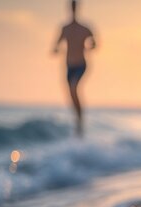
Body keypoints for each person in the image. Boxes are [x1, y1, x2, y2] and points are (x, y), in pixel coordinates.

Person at [54, 0, 96, 137]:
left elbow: (94, 42)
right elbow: (56, 44)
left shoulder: (84, 28)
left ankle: (80, 121)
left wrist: (90, 46)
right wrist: (55, 49)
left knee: (73, 88)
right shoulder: (65, 28)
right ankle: (78, 120)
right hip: (69, 65)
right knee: (71, 94)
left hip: (81, 64)